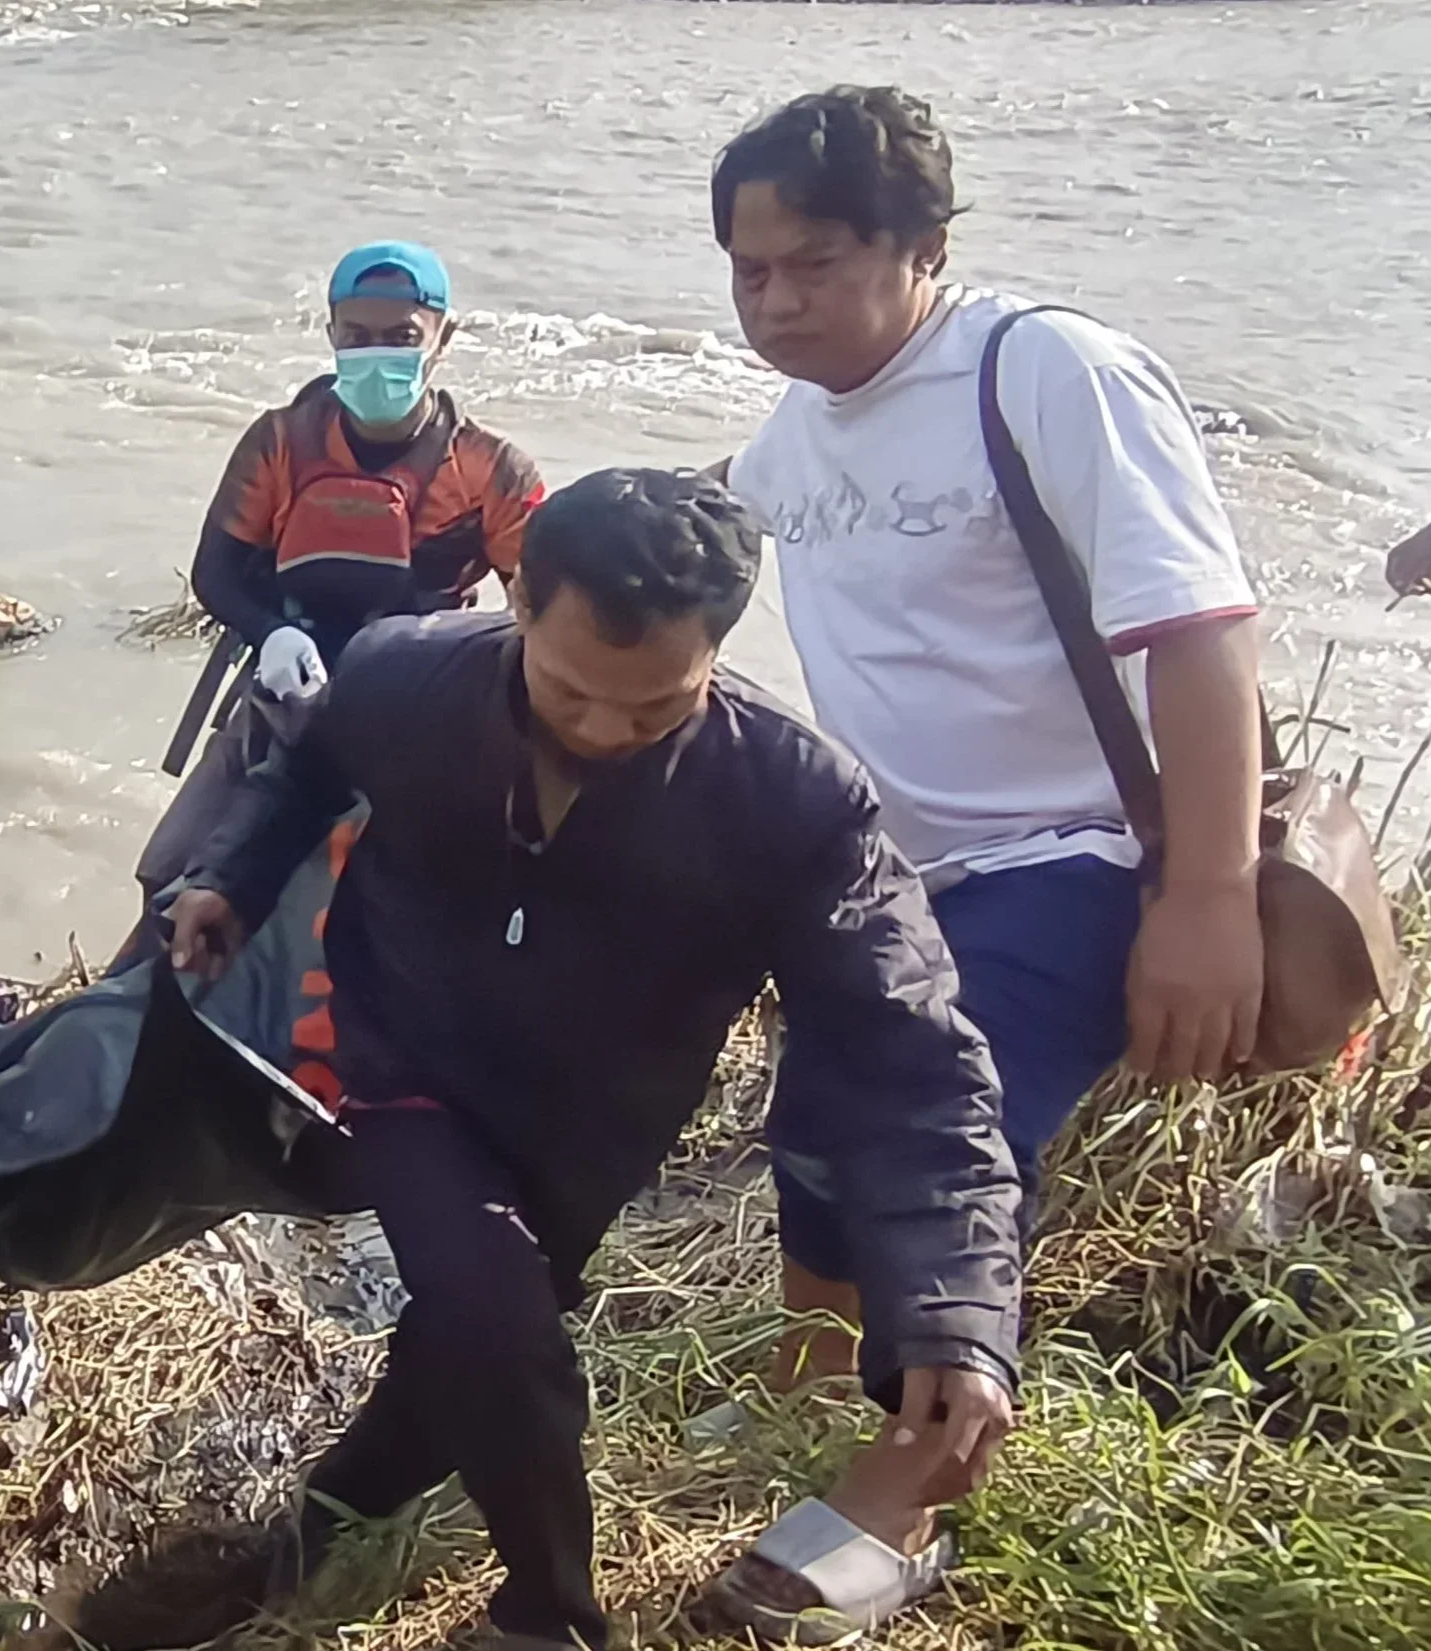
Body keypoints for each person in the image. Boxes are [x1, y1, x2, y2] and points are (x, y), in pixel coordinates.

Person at [163, 468, 1025, 1651]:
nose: (605, 727)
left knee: (472, 1332)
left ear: (716, 651)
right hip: (406, 1057)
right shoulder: (402, 673)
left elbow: (912, 1058)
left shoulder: (794, 803)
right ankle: (551, 1618)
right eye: (570, 689)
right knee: (487, 1304)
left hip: (599, 1116)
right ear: (518, 604)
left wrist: (956, 1311)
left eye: (655, 706)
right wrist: (232, 875)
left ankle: (319, 1523)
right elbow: (307, 770)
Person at [705, 87, 1267, 1632]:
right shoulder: (783, 442)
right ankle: (803, 1376)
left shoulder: (1044, 371)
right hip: (889, 873)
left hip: (1072, 852)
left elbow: (1200, 629)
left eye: (811, 264)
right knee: (811, 1135)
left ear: (923, 246)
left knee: (947, 1150)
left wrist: (1207, 897)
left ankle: (915, 1484)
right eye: (748, 272)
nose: (774, 302)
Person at [133, 240, 545, 908]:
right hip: (287, 687)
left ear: (444, 337)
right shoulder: (280, 441)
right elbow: (217, 569)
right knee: (176, 873)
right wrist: (269, 634)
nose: (376, 352)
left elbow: (542, 611)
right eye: (356, 335)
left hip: (425, 704)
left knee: (410, 904)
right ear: (330, 334)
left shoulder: (493, 469)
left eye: (401, 336)